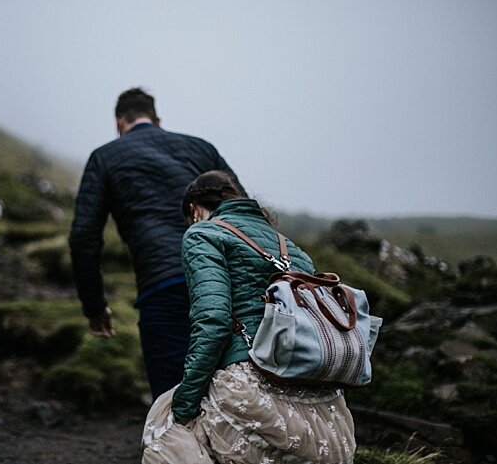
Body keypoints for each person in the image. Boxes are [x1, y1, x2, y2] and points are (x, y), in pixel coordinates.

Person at [142, 170, 355, 463]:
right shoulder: (293, 248)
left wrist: (185, 403)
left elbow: (214, 321)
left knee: (166, 429)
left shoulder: (203, 233)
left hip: (252, 383)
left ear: (194, 209)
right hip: (323, 407)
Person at [69, 87, 241, 399]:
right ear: (157, 120)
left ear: (119, 122)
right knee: (236, 392)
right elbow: (243, 212)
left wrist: (94, 306)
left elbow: (84, 236)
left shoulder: (105, 157)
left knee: (174, 398)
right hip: (227, 282)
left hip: (164, 287)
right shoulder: (202, 149)